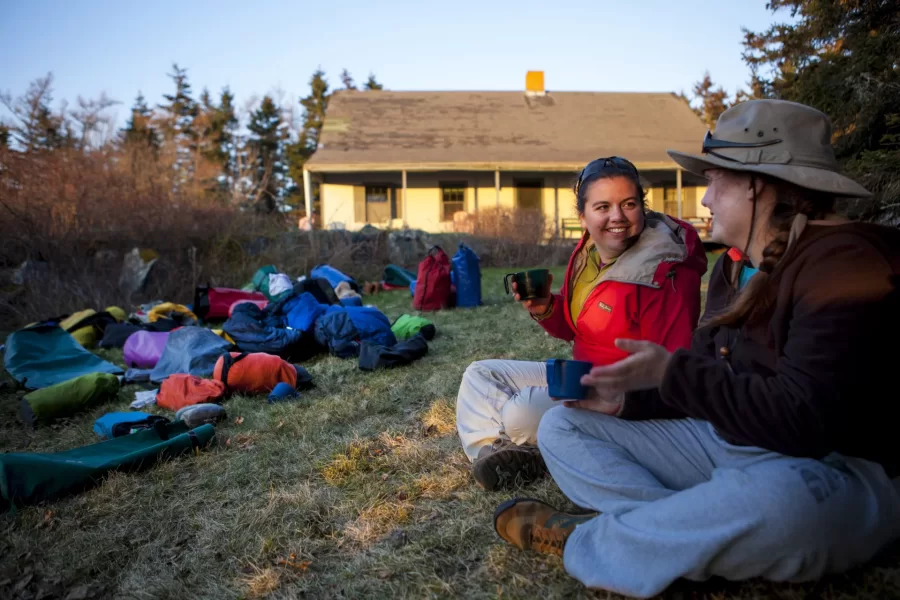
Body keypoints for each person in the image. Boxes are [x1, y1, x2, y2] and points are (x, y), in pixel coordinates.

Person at [492, 100, 900, 598]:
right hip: (732, 442)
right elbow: (711, 379)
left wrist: (671, 374)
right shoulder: (734, 267)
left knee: (785, 507)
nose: (705, 199)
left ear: (756, 185)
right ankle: (686, 526)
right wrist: (628, 402)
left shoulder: (846, 266)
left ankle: (600, 539)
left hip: (830, 467)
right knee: (561, 425)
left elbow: (807, 421)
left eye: (715, 181)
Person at [456, 157, 707, 491]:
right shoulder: (590, 252)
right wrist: (546, 307)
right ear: (583, 216)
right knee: (481, 374)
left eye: (629, 204)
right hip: (579, 375)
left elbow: (670, 370)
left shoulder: (664, 271)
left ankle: (538, 449)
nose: (617, 216)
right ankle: (495, 457)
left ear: (642, 209)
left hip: (620, 397)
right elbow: (579, 327)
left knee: (521, 412)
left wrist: (611, 394)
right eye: (602, 206)